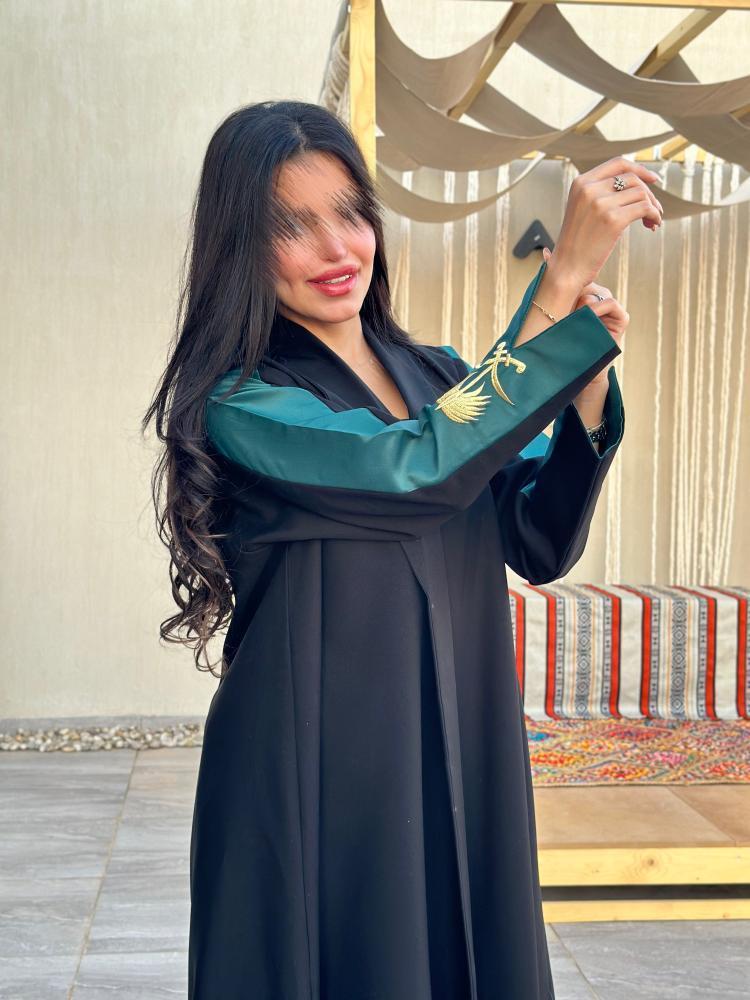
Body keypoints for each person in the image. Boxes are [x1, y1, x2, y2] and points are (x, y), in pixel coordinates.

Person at [142, 101, 662, 999]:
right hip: (319, 765)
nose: (336, 248)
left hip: (461, 731)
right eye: (292, 227)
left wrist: (582, 390)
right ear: (240, 249)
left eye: (350, 213)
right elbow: (412, 467)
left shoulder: (442, 376)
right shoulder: (244, 401)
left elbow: (536, 538)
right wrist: (562, 278)